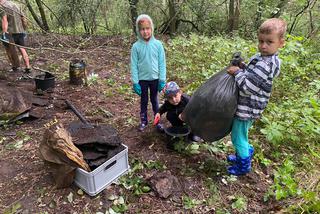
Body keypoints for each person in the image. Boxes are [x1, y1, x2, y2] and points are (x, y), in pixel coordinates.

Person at [226, 18, 287, 175]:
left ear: (281, 43)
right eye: (261, 41)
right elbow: (253, 75)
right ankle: (245, 152)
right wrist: (244, 67)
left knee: (237, 136)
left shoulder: (265, 64)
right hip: (251, 106)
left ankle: (243, 165)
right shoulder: (263, 58)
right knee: (242, 134)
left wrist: (237, 72)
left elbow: (248, 88)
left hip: (248, 107)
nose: (263, 46)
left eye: (269, 42)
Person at [130, 14, 166, 132]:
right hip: (142, 80)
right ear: (138, 30)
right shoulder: (136, 47)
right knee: (144, 101)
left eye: (147, 28)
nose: (145, 32)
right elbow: (134, 65)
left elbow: (162, 63)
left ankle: (157, 121)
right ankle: (143, 121)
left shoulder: (158, 45)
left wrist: (162, 79)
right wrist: (135, 82)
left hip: (155, 79)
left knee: (155, 100)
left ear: (152, 29)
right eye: (142, 29)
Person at [0, 0, 31, 73]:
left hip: (10, 32)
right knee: (22, 49)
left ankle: (15, 67)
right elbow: (23, 18)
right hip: (20, 31)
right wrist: (24, 28)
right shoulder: (16, 5)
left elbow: (5, 21)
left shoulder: (2, 7)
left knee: (9, 50)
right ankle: (28, 67)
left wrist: (4, 33)